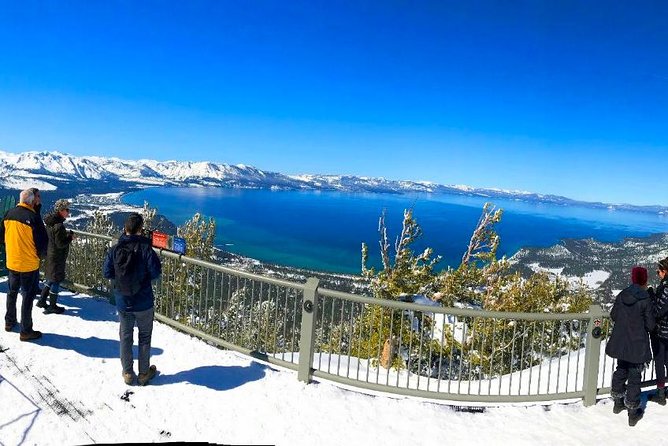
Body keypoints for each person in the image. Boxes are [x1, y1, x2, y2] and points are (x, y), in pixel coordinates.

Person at [103, 213, 161, 386]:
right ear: (140, 230)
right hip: (144, 301)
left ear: (125, 229)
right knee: (145, 337)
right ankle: (144, 374)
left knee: (125, 337)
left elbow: (107, 272)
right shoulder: (146, 249)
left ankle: (128, 373)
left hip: (123, 301)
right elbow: (156, 273)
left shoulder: (115, 249)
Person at [605, 266, 655, 426]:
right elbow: (651, 325)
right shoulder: (645, 299)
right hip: (637, 344)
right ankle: (632, 414)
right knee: (634, 377)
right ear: (644, 280)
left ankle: (617, 403)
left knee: (620, 370)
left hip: (621, 342)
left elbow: (614, 315)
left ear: (633, 278)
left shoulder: (622, 294)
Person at [0, 188, 48, 341]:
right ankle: (26, 331)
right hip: (29, 264)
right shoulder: (33, 218)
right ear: (32, 201)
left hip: (12, 261)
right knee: (27, 296)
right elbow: (43, 242)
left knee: (12, 292)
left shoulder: (9, 214)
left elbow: (1, 237)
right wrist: (39, 255)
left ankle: (9, 322)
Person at [36, 199, 75, 314]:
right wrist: (70, 237)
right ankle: (52, 306)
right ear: (61, 210)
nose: (68, 212)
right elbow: (60, 244)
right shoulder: (59, 225)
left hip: (51, 253)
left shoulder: (51, 222)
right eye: (67, 209)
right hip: (57, 257)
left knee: (50, 278)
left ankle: (42, 300)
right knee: (56, 281)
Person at [649, 257, 668, 405]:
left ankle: (660, 393)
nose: (658, 273)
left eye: (659, 271)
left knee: (660, 361)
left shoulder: (666, 288)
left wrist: (651, 297)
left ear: (665, 271)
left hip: (662, 332)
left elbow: (658, 310)